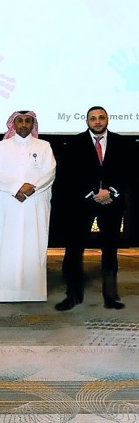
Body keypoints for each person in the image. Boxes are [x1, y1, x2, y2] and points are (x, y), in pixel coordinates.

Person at [56, 106, 134, 310]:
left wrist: (112, 192)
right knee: (74, 249)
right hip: (82, 204)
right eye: (93, 118)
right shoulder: (74, 143)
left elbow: (129, 171)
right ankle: (72, 296)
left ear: (107, 119)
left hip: (112, 203)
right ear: (87, 121)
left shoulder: (121, 142)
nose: (97, 121)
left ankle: (111, 297)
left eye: (101, 117)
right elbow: (68, 175)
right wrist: (92, 193)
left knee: (110, 249)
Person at [0, 111, 56, 303]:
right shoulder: (2, 147)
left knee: (34, 242)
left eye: (28, 121)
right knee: (6, 243)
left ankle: (34, 292)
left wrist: (30, 189)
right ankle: (5, 292)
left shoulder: (44, 146)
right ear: (14, 124)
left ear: (33, 124)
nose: (24, 124)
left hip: (35, 203)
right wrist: (16, 188)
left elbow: (49, 172)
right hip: (9, 202)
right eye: (20, 121)